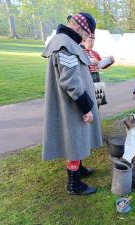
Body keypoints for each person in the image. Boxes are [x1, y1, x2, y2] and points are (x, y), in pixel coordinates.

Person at [41, 13, 103, 195]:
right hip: (72, 104)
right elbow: (70, 81)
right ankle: (74, 184)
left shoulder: (66, 41)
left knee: (77, 138)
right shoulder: (65, 44)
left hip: (72, 102)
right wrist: (86, 108)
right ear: (79, 28)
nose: (87, 37)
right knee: (73, 140)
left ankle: (80, 169)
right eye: (87, 33)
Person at [81, 34, 115, 107]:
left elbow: (100, 65)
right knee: (87, 104)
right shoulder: (79, 52)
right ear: (83, 41)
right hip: (86, 81)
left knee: (97, 103)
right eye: (90, 41)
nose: (92, 44)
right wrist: (89, 60)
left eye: (93, 41)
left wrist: (109, 61)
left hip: (96, 80)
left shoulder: (95, 53)